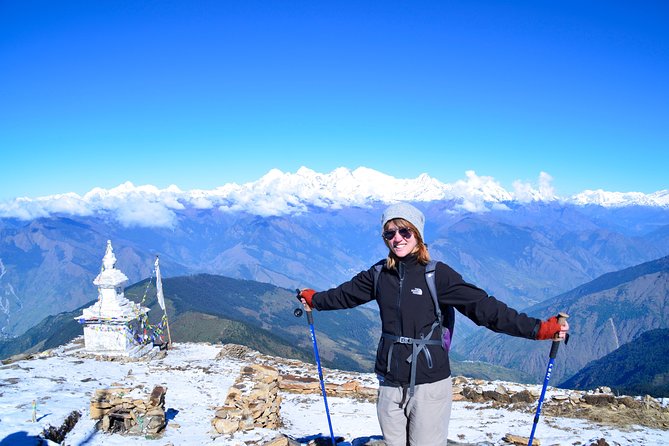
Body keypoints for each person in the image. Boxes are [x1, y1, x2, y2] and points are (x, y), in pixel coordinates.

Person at [297, 202, 569, 446]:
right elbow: (344, 295)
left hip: (429, 383)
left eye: (405, 231)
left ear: (418, 234)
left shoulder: (437, 275)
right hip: (390, 381)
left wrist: (538, 329)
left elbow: (486, 309)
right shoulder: (379, 274)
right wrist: (315, 299)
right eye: (390, 233)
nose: (397, 238)